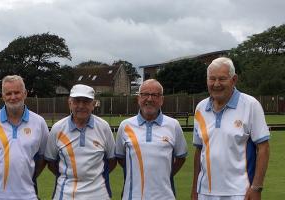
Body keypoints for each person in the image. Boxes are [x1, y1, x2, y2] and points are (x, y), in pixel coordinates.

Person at [191, 57, 270, 200]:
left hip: (240, 192)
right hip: (205, 193)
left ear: (234, 80)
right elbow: (199, 151)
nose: (216, 84)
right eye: (212, 79)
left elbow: (263, 148)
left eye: (222, 79)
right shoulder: (200, 108)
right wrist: (195, 189)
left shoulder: (251, 105)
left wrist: (256, 187)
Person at [0, 75, 49, 200]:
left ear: (25, 93)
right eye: (8, 93)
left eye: (17, 92)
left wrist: (28, 176)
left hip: (28, 195)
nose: (13, 97)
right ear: (3, 96)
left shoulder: (39, 122)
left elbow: (43, 158)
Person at [115, 79, 188, 200]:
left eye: (155, 95)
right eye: (145, 94)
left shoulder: (173, 125)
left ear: (162, 100)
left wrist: (163, 175)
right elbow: (120, 158)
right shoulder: (125, 125)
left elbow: (181, 158)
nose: (149, 99)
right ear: (138, 98)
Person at [45, 84, 116, 200]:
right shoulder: (57, 128)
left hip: (98, 194)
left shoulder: (103, 127)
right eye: (77, 101)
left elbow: (112, 160)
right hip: (65, 195)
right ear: (70, 103)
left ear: (93, 105)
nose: (81, 106)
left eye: (86, 102)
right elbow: (51, 162)